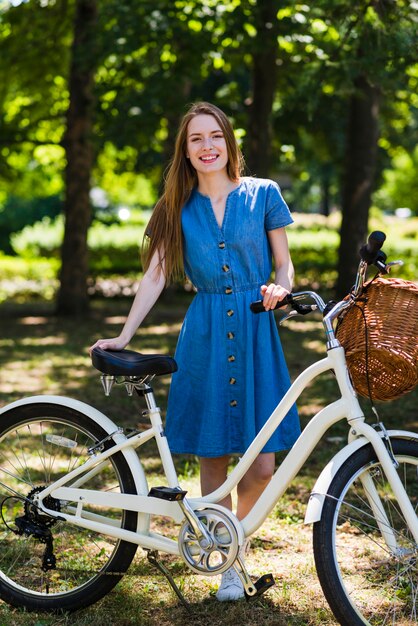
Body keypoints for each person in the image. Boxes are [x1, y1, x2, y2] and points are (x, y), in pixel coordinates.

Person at [90, 102, 300, 601]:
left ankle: (231, 542)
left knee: (263, 464)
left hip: (255, 332)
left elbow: (285, 267)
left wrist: (278, 289)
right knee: (214, 454)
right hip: (204, 333)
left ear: (229, 143)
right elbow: (156, 274)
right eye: (195, 139)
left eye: (214, 137)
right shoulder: (176, 207)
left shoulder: (263, 194)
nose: (207, 147)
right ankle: (228, 565)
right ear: (185, 151)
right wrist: (123, 335)